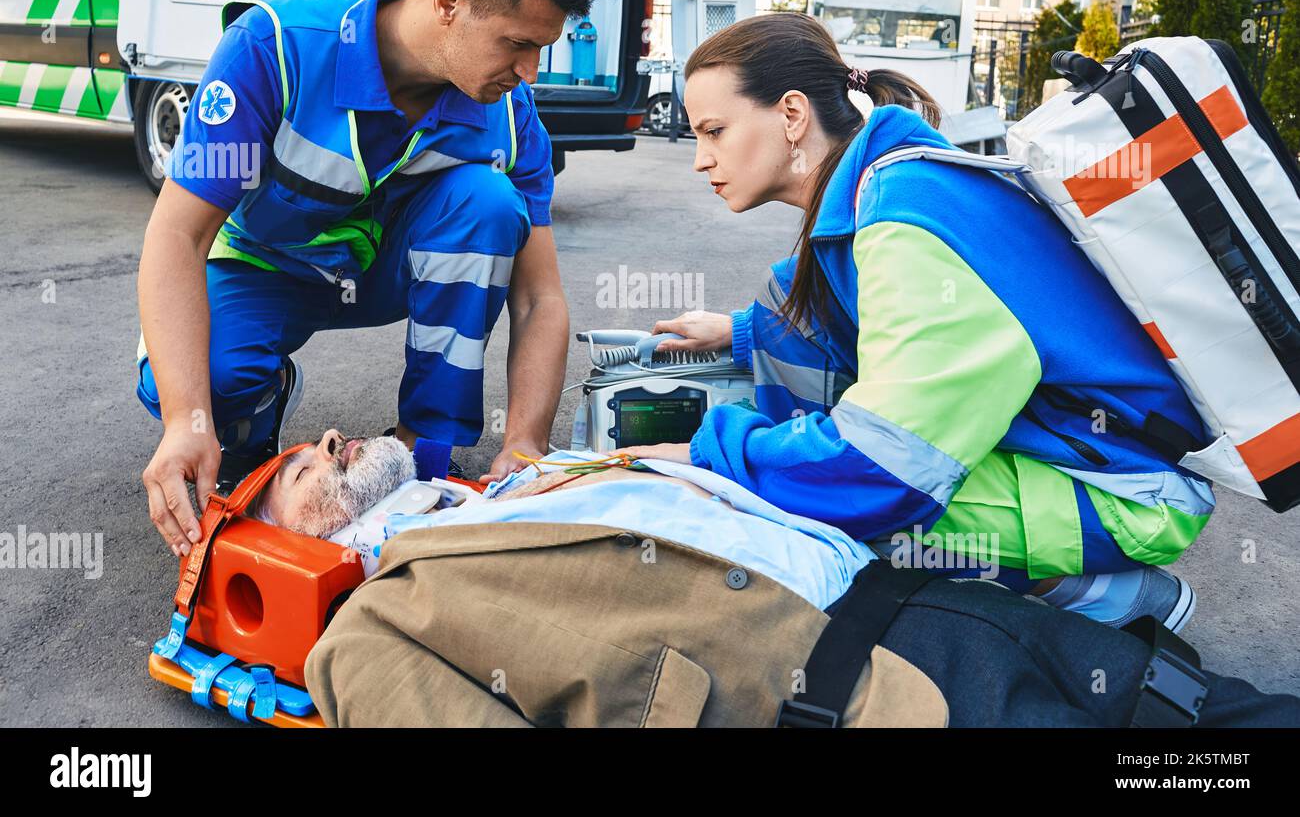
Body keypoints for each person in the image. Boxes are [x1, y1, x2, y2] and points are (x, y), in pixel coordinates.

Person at [622, 11, 1216, 633]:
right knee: (783, 310)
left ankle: (1104, 594)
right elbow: (848, 311)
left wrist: (711, 460)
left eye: (714, 131)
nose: (700, 159)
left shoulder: (903, 218)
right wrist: (741, 334)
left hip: (1125, 492)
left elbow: (882, 468)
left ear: (792, 115)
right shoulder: (889, 180)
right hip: (1072, 445)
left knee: (820, 504)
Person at [246, 435, 1298, 727]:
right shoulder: (370, 626)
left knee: (1211, 708)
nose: (329, 440)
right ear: (279, 550)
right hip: (854, 693)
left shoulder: (503, 490)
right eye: (299, 470)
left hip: (919, 600)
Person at [135, 0, 592, 560]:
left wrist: (524, 442)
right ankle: (254, 409)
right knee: (206, 382)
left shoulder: (511, 114)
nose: (530, 74)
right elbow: (177, 235)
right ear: (448, 4)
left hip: (385, 275)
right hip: (266, 266)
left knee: (489, 203)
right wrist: (187, 421)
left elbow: (539, 297)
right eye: (519, 45)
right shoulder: (275, 51)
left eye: (541, 50)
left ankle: (419, 449)